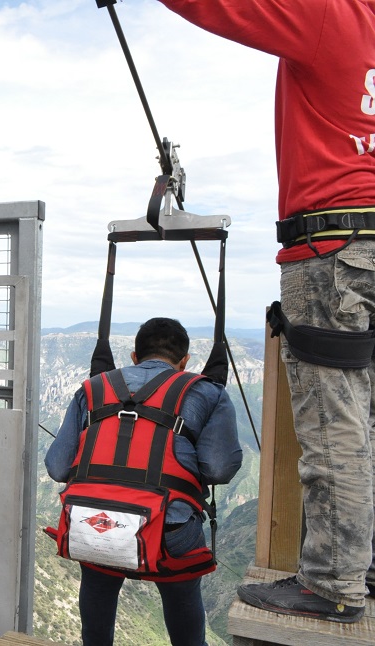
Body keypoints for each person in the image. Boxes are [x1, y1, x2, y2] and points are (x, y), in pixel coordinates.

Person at [151, 0, 375, 623]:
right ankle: (362, 561)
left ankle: (333, 583)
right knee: (368, 418)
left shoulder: (339, 16)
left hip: (336, 248)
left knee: (335, 425)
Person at [45, 317, 242, 646]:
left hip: (96, 522)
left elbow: (57, 467)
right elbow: (219, 469)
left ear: (134, 356)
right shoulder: (207, 392)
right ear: (184, 362)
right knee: (185, 618)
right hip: (168, 529)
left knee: (97, 592)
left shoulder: (91, 390)